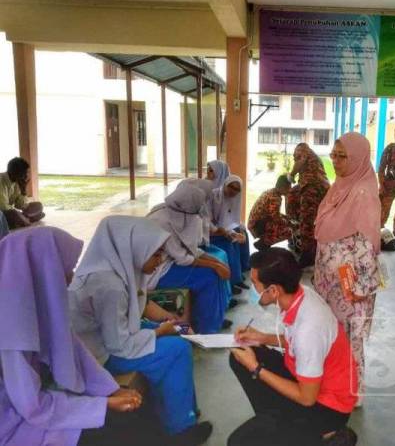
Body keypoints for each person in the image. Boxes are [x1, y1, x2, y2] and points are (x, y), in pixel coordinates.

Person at [0, 226, 170, 446]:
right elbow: (32, 407)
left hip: (38, 404)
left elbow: (74, 351)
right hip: (13, 423)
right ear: (43, 268)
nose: (72, 275)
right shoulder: (11, 326)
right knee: (117, 427)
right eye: (64, 267)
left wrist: (112, 390)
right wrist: (101, 405)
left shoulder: (33, 302)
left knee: (133, 408)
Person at [69, 216, 212, 444]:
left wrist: (170, 320)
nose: (161, 260)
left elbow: (141, 304)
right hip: (99, 356)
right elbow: (121, 346)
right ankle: (180, 428)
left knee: (175, 336)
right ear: (134, 247)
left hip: (111, 339)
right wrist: (160, 332)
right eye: (156, 254)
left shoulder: (120, 269)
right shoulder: (109, 285)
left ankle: (183, 409)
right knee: (176, 350)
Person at [228, 248, 358, 446]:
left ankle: (325, 434)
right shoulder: (300, 295)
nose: (251, 287)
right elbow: (295, 342)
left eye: (254, 283)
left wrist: (257, 368)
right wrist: (262, 337)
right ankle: (277, 420)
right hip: (308, 377)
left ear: (273, 290)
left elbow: (307, 398)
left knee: (238, 442)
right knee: (239, 356)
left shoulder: (309, 328)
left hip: (327, 408)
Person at [313, 132, 381, 394]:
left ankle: (352, 392)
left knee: (350, 337)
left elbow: (366, 246)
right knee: (331, 333)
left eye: (343, 157)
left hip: (348, 283)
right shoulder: (339, 188)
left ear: (358, 159)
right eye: (334, 155)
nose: (336, 161)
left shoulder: (362, 193)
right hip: (328, 280)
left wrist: (355, 289)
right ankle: (333, 385)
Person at [147, 183, 232, 333]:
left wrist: (217, 262)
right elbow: (182, 258)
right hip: (155, 271)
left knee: (216, 267)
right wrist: (214, 266)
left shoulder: (175, 212)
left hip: (168, 262)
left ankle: (215, 317)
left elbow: (191, 249)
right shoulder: (161, 220)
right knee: (209, 277)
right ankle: (207, 328)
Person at [178, 177, 236, 306]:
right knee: (211, 274)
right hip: (174, 262)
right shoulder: (173, 216)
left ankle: (225, 301)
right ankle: (211, 318)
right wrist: (214, 264)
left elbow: (206, 224)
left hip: (196, 248)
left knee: (222, 256)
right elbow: (181, 256)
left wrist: (218, 231)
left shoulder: (195, 208)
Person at [286, 143, 330, 267]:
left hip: (312, 188)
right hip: (321, 188)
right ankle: (304, 242)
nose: (295, 159)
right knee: (313, 219)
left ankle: (307, 255)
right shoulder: (313, 156)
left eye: (295, 156)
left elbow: (300, 161)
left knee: (307, 220)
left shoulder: (302, 150)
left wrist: (292, 174)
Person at [210, 175, 251, 293]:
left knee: (240, 237)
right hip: (211, 232)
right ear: (225, 184)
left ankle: (238, 275)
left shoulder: (233, 199)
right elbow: (208, 221)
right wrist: (227, 232)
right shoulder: (214, 196)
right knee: (229, 244)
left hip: (222, 230)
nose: (233, 191)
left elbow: (233, 219)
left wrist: (236, 232)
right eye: (231, 187)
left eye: (237, 189)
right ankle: (231, 283)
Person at [247, 175, 292, 251]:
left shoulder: (271, 192)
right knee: (288, 231)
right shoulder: (275, 198)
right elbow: (275, 217)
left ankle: (264, 241)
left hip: (255, 223)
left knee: (283, 222)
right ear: (283, 187)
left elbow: (272, 213)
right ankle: (263, 243)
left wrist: (285, 217)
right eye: (289, 187)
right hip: (258, 226)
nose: (290, 190)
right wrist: (289, 223)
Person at [0, 157, 45, 229]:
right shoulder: (1, 181)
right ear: (15, 173)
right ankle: (26, 220)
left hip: (10, 213)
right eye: (24, 173)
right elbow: (3, 207)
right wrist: (18, 214)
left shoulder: (17, 181)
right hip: (2, 214)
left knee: (38, 205)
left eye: (27, 172)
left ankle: (23, 220)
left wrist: (23, 190)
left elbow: (21, 206)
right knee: (13, 214)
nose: (27, 176)